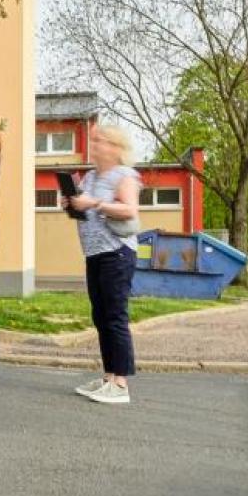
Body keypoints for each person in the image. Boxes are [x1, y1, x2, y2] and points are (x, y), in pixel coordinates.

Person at [68, 124, 142, 405]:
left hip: (117, 253)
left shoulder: (125, 175)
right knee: (100, 316)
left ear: (114, 147)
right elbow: (83, 210)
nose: (93, 144)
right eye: (94, 139)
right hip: (94, 254)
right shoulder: (89, 176)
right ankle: (108, 376)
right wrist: (72, 203)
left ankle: (121, 383)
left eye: (100, 141)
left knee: (115, 316)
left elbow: (129, 210)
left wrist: (95, 203)